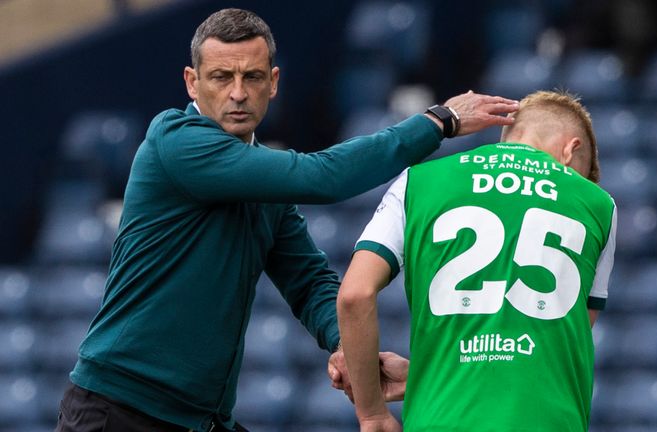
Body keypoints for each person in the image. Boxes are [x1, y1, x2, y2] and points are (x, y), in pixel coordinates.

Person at [54, 8, 520, 432]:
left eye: (252, 77)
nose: (238, 93)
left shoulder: (260, 178)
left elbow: (308, 282)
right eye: (221, 77)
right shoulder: (176, 140)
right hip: (119, 410)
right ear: (192, 83)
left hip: (196, 418)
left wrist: (350, 349)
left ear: (273, 82)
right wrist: (438, 122)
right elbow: (324, 177)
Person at [336, 90, 617, 431]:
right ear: (570, 152)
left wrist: (374, 413)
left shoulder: (416, 182)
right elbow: (561, 339)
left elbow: (355, 295)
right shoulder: (600, 205)